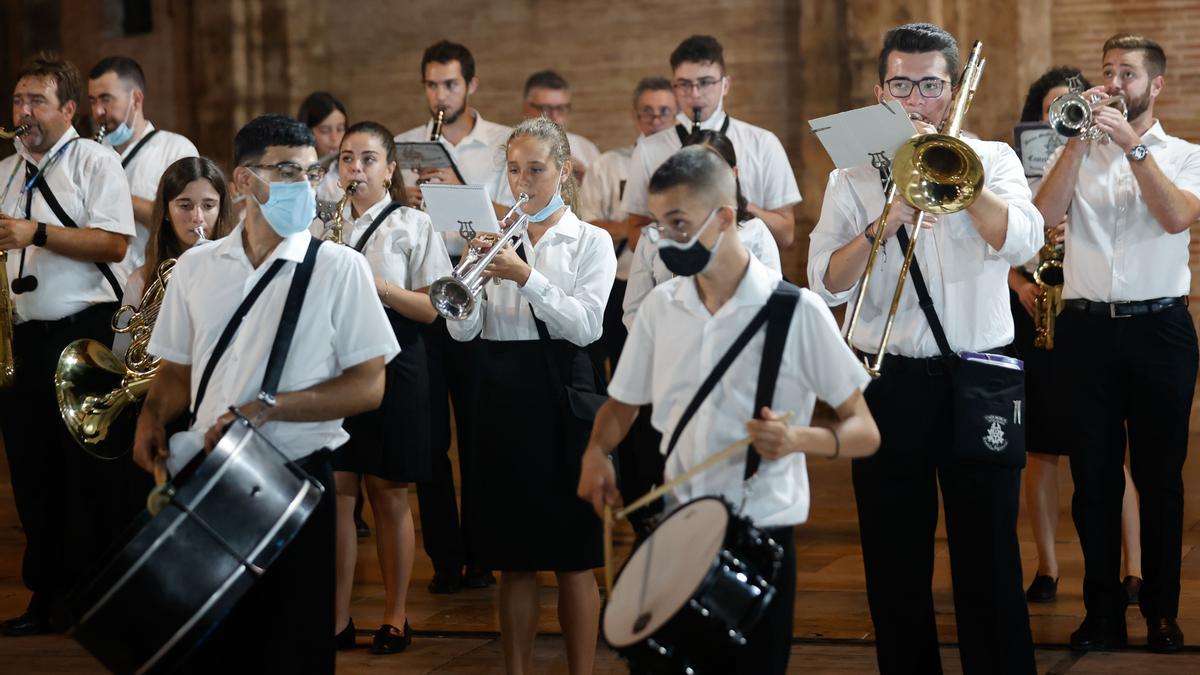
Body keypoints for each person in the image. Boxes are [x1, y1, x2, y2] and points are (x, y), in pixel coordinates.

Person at [577, 145, 879, 675]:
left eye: (678, 223)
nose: (664, 239)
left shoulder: (796, 311)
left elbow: (864, 431)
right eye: (658, 226)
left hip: (760, 535)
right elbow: (621, 408)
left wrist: (801, 440)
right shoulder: (659, 311)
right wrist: (597, 452)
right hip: (675, 527)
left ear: (723, 217)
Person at [807, 23, 1043, 674]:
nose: (916, 100)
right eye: (902, 84)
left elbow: (1024, 242)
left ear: (954, 88)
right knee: (892, 553)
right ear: (881, 89)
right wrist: (888, 218)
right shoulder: (852, 175)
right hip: (888, 378)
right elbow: (823, 278)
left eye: (931, 85)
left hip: (980, 374)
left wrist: (962, 188)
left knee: (990, 551)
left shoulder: (990, 158)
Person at [131, 113, 398, 672]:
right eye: (287, 172)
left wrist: (272, 408)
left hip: (295, 479)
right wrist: (152, 417)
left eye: (309, 172)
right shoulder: (197, 268)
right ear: (244, 182)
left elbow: (370, 385)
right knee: (216, 642)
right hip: (211, 476)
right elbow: (177, 371)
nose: (305, 186)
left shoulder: (339, 268)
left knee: (292, 644)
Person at [1035, 34, 1200, 654]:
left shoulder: (1184, 154)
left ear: (1155, 85)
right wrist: (1077, 145)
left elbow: (1177, 216)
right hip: (1086, 330)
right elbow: (1042, 212)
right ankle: (1100, 612)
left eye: (1127, 73)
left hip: (1159, 329)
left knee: (1160, 479)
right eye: (1106, 72)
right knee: (1093, 478)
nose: (1113, 83)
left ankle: (1160, 611)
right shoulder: (1078, 151)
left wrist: (1132, 147)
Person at [447, 117, 616, 675]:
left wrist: (525, 277)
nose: (522, 182)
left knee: (573, 558)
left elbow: (588, 327)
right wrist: (469, 283)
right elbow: (461, 332)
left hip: (563, 393)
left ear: (563, 172)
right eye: (514, 170)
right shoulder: (497, 238)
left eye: (536, 170)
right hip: (499, 394)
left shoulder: (590, 240)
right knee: (511, 559)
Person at [0, 52, 136, 637]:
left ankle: (96, 596)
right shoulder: (5, 169)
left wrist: (36, 234)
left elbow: (113, 244)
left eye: (36, 102)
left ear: (69, 109)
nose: (23, 112)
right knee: (31, 472)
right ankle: (46, 595)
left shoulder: (94, 160)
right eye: (17, 101)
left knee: (87, 477)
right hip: (21, 337)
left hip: (81, 333)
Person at [1010, 67, 1143, 606]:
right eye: (1050, 106)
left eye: (1070, 102)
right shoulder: (1010, 169)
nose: (1058, 111)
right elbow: (995, 246)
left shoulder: (1108, 160)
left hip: (1089, 312)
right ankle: (1046, 567)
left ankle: (1132, 568)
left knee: (1112, 450)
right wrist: (1020, 282)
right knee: (1040, 451)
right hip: (1037, 310)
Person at [321, 121, 451, 654]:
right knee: (340, 494)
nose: (356, 169)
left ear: (391, 169)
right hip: (336, 360)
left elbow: (434, 308)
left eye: (369, 159)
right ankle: (336, 618)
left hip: (397, 356)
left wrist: (378, 286)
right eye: (347, 159)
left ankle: (397, 615)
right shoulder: (322, 226)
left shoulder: (413, 225)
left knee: (389, 491)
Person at [394, 39, 511, 593]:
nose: (440, 95)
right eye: (431, 85)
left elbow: (518, 216)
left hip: (478, 286)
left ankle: (486, 550)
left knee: (481, 430)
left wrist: (460, 195)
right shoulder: (409, 145)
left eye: (450, 85)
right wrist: (412, 203)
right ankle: (444, 558)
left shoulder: (503, 142)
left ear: (472, 85)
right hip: (426, 288)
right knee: (430, 434)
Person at [622, 35, 800, 250]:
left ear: (725, 85)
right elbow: (634, 234)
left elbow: (786, 235)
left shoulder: (763, 143)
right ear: (674, 88)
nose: (695, 94)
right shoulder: (648, 149)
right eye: (685, 85)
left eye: (705, 82)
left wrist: (739, 204)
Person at [577, 76, 676, 371]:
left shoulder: (689, 167)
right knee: (620, 370)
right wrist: (634, 226)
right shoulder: (607, 165)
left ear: (676, 116)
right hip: (617, 281)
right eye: (647, 111)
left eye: (664, 112)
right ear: (635, 116)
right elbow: (588, 226)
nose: (655, 120)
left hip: (672, 278)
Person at [112, 156, 234, 362]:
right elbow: (121, 355)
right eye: (185, 206)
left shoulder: (237, 270)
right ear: (167, 212)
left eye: (209, 205)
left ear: (221, 208)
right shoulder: (140, 281)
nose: (198, 217)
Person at [87, 56, 198, 268]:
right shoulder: (92, 154)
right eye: (92, 101)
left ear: (136, 100)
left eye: (106, 99)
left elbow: (188, 219)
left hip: (154, 285)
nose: (98, 112)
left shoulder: (176, 149)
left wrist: (114, 196)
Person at [522, 70, 601, 180]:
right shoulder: (508, 148)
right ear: (526, 108)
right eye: (546, 109)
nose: (554, 116)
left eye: (561, 108)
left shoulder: (586, 149)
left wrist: (586, 180)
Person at [297, 91, 349, 216]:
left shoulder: (352, 169)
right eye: (325, 131)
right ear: (307, 131)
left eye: (340, 129)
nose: (334, 138)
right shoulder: (294, 172)